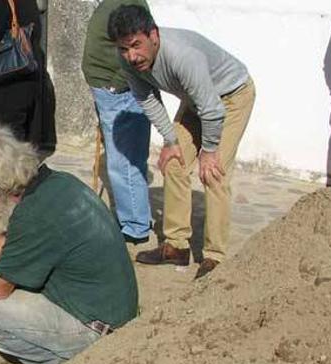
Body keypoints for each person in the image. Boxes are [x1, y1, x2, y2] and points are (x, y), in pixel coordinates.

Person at [0, 126, 138, 364]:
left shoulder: (34, 215)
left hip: (96, 327)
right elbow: (20, 240)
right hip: (112, 309)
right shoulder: (56, 184)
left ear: (4, 187)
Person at [109, 5, 256, 279]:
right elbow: (147, 99)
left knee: (213, 173)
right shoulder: (127, 61)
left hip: (232, 96)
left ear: (153, 35)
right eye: (124, 49)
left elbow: (212, 109)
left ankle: (215, 257)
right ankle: (176, 245)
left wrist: (209, 151)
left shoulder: (182, 56)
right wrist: (170, 140)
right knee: (174, 163)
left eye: (136, 45)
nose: (131, 56)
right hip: (197, 100)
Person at [82, 0, 153, 244]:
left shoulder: (131, 3)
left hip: (119, 94)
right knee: (122, 159)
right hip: (108, 92)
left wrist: (117, 83)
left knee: (123, 161)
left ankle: (135, 227)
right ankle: (135, 219)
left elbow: (142, 47)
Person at [0, 0, 44, 144]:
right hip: (25, 77)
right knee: (19, 136)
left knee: (9, 139)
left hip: (8, 83)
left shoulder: (0, 2)